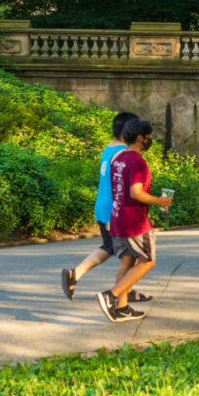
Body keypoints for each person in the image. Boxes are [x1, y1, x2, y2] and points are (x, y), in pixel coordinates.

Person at [61, 112, 152, 305]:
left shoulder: (109, 147)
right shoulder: (124, 153)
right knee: (129, 253)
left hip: (103, 205)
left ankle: (122, 289)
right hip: (116, 209)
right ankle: (119, 294)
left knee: (112, 248)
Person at [99, 118, 173, 322]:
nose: (150, 140)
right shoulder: (138, 161)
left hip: (117, 218)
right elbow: (136, 193)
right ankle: (111, 296)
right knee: (147, 261)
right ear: (140, 138)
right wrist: (160, 201)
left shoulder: (118, 157)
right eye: (148, 136)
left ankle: (121, 308)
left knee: (127, 261)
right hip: (135, 221)